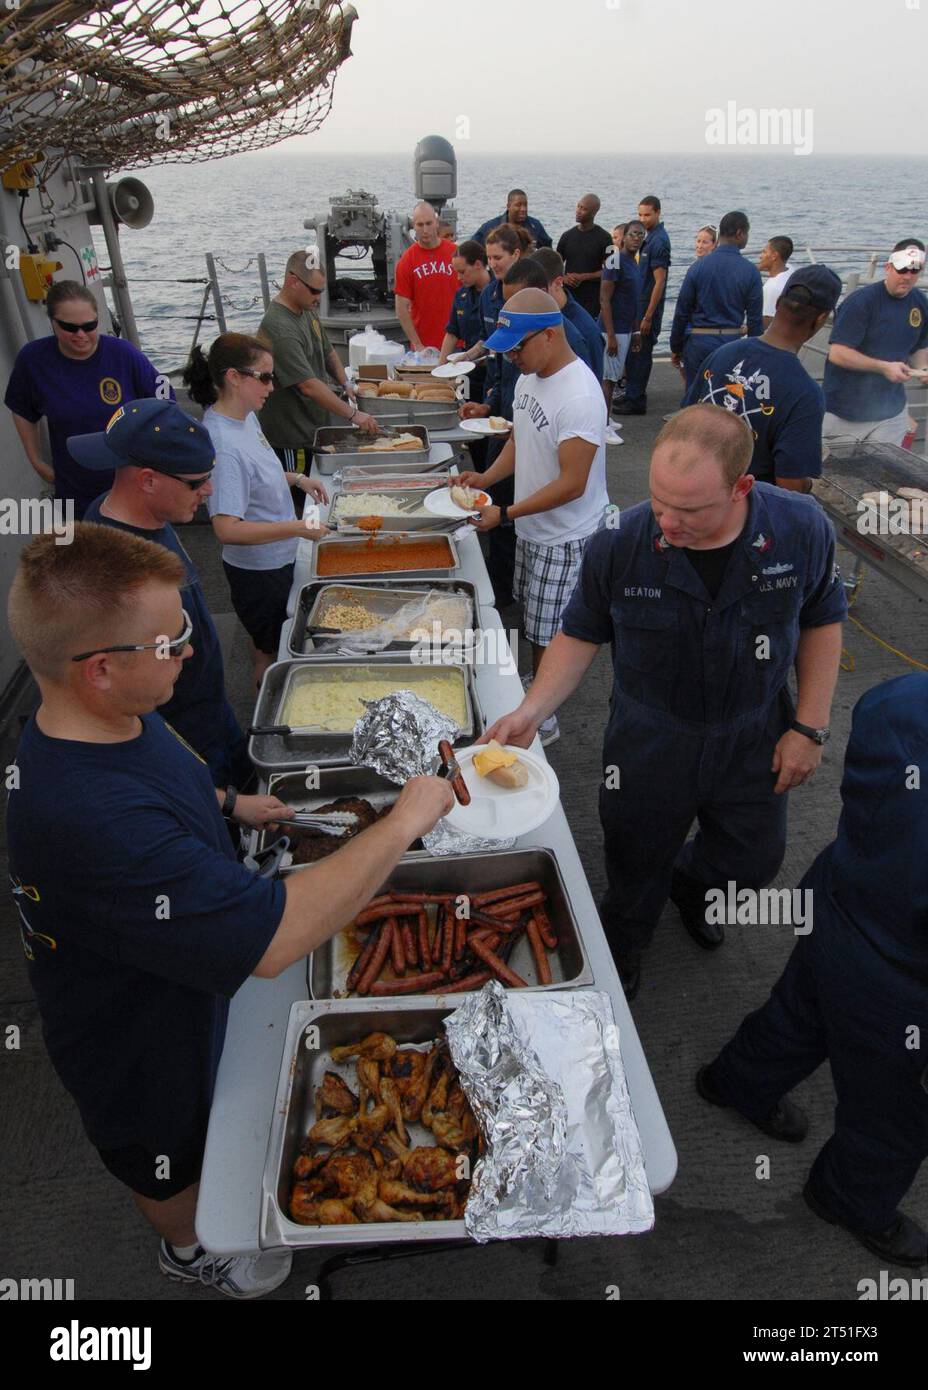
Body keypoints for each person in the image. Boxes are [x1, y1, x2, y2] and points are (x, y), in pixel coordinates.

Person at [6, 524, 454, 1299]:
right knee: (165, 1147)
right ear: (103, 669)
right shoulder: (85, 817)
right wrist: (404, 823)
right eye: (171, 638)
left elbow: (162, 785)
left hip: (183, 963)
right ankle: (189, 1249)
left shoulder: (116, 717)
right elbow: (275, 937)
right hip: (134, 1027)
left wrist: (230, 803)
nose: (189, 649)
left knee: (215, 1101)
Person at [481, 405, 846, 998]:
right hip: (650, 738)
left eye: (691, 510)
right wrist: (531, 709)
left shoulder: (800, 528)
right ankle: (625, 941)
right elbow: (579, 634)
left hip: (753, 730)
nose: (668, 523)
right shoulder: (620, 545)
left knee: (752, 861)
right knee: (632, 861)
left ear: (741, 488)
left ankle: (696, 883)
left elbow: (823, 619)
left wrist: (810, 726)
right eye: (658, 501)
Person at [698, 673, 928, 1268]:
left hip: (837, 897)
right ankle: (848, 1199)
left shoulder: (903, 699)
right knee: (891, 1116)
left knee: (799, 1013)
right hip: (902, 980)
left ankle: (735, 1082)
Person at [72, 399, 251, 790]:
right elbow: (123, 699)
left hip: (211, 710)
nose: (209, 489)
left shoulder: (130, 513)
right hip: (180, 735)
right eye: (196, 482)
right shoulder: (118, 571)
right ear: (148, 480)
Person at [456, 291, 609, 747]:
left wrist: (504, 513)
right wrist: (485, 477)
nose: (512, 356)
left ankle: (544, 718)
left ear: (550, 334)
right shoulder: (529, 379)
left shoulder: (580, 394)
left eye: (518, 346)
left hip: (565, 535)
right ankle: (536, 682)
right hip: (533, 527)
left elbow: (572, 483)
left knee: (552, 629)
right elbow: (520, 441)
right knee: (532, 612)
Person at [185, 333, 329, 688]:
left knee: (271, 640)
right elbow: (226, 528)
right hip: (260, 574)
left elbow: (256, 477)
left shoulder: (244, 416)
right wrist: (296, 528)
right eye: (264, 377)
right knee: (270, 652)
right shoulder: (224, 443)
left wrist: (295, 478)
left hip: (278, 558)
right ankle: (266, 716)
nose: (271, 385)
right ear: (234, 377)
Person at [4, 280, 172, 518]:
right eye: (69, 327)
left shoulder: (124, 354)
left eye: (89, 326)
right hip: (77, 488)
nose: (81, 334)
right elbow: (21, 408)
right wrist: (36, 460)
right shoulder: (33, 360)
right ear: (52, 322)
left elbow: (165, 404)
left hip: (134, 484)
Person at [682, 264, 843, 492]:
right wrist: (810, 484)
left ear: (778, 303)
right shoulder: (805, 394)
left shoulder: (721, 354)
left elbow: (684, 422)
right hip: (745, 513)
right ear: (820, 319)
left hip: (693, 489)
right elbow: (790, 484)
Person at [257, 253, 377, 473]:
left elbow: (327, 349)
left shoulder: (306, 310)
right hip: (293, 440)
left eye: (321, 291)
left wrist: (345, 383)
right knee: (300, 498)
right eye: (314, 290)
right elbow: (308, 385)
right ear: (293, 281)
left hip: (314, 428)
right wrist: (353, 415)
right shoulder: (280, 328)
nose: (318, 297)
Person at [823, 239, 928, 447]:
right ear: (888, 267)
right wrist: (883, 367)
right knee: (832, 473)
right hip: (844, 411)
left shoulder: (920, 303)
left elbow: (919, 346)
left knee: (883, 474)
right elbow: (838, 353)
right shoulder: (861, 302)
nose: (907, 276)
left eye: (914, 271)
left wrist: (923, 368)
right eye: (902, 269)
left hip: (891, 412)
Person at [670, 211, 764, 394]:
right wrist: (754, 354)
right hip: (731, 341)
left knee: (695, 395)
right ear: (739, 233)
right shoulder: (750, 271)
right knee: (727, 397)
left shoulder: (697, 267)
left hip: (699, 341)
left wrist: (676, 346)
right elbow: (754, 320)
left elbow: (682, 312)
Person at [615, 196, 671, 416]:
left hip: (647, 309)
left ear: (658, 213)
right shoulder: (648, 239)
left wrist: (648, 316)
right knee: (634, 353)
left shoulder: (658, 242)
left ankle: (636, 400)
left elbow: (660, 281)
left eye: (647, 215)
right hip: (637, 306)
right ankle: (631, 394)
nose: (643, 219)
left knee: (640, 353)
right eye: (640, 215)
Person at [532, 246, 605, 381]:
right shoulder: (538, 315)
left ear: (558, 282)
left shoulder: (586, 331)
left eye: (540, 290)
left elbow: (593, 382)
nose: (533, 298)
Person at [393, 201, 458, 352]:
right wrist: (416, 344)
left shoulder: (455, 253)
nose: (425, 230)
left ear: (436, 223)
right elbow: (401, 307)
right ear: (413, 226)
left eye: (429, 223)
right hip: (425, 347)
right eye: (420, 225)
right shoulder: (407, 261)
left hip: (458, 342)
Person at [600, 222, 644, 416]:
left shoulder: (633, 262)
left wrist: (636, 331)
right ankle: (604, 423)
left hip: (625, 328)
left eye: (641, 235)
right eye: (633, 234)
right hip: (612, 329)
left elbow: (633, 299)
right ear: (624, 236)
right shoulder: (614, 261)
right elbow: (604, 299)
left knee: (614, 375)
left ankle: (607, 420)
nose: (637, 238)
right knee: (607, 378)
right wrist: (610, 335)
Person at [439, 239, 491, 402]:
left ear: (477, 264)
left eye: (462, 272)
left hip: (491, 371)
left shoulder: (498, 293)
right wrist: (440, 370)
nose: (459, 277)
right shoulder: (461, 295)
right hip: (467, 371)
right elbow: (452, 333)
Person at [556, 194, 613, 319]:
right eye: (578, 206)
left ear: (594, 213)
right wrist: (564, 278)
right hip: (568, 298)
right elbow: (555, 266)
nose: (578, 211)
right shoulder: (566, 236)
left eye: (584, 209)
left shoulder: (606, 238)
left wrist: (584, 277)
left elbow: (612, 270)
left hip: (592, 302)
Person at [472, 188, 553, 250]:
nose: (523, 209)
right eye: (518, 205)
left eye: (525, 205)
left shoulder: (535, 226)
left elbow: (548, 252)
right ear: (508, 206)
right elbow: (472, 248)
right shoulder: (492, 227)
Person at [759, 235, 795, 327]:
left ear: (774, 256)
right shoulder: (790, 269)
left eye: (764, 252)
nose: (760, 256)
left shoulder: (772, 288)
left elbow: (765, 324)